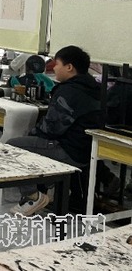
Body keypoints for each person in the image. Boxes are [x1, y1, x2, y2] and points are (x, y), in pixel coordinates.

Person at [9, 45, 103, 216]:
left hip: (69, 150)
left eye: (57, 64)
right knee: (30, 140)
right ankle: (45, 187)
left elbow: (52, 129)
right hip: (87, 149)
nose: (54, 68)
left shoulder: (69, 91)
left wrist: (33, 134)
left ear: (69, 67)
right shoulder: (93, 87)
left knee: (12, 146)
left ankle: (33, 196)